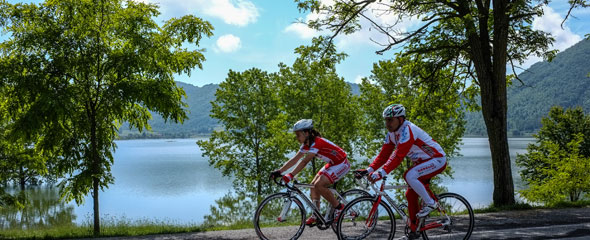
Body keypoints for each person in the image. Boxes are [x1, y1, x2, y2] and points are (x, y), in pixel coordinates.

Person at [358, 104, 447, 237]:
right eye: (386, 120)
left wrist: (381, 173)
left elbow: (398, 155)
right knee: (410, 195)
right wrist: (368, 170)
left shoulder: (408, 130)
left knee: (409, 175)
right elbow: (384, 155)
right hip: (422, 163)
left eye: (390, 120)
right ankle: (415, 227)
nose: (387, 123)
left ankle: (430, 203)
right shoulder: (392, 134)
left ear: (400, 119)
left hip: (437, 159)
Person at [269, 119, 350, 226]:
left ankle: (339, 208)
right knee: (313, 185)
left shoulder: (317, 143)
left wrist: (291, 175)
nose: (297, 138)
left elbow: (304, 161)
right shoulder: (307, 144)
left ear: (306, 133)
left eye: (298, 135)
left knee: (319, 185)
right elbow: (295, 159)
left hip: (342, 163)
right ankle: (316, 214)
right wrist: (279, 171)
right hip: (332, 163)